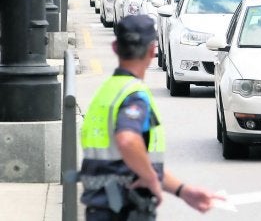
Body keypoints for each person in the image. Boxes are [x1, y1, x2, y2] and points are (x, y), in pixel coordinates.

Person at [79, 15, 223, 220]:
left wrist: (182, 191)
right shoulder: (134, 95)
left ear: (114, 48)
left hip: (102, 208)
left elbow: (139, 163)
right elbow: (128, 141)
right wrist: (152, 180)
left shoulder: (107, 92)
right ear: (152, 50)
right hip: (124, 209)